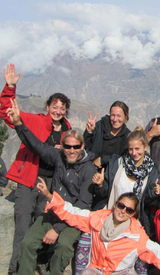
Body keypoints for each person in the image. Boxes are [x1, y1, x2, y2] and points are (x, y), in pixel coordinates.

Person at [6, 98, 96, 275]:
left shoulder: (88, 169)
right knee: (27, 243)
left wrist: (57, 229)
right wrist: (18, 124)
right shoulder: (58, 157)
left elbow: (82, 206)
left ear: (82, 146)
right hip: (53, 212)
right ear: (61, 147)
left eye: (76, 147)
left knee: (62, 245)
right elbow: (36, 145)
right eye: (67, 146)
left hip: (72, 219)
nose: (71, 150)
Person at [0, 63, 72, 275]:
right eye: (54, 106)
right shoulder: (36, 121)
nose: (58, 111)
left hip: (51, 185)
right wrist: (9, 88)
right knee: (22, 226)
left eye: (62, 108)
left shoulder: (68, 130)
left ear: (66, 110)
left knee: (42, 224)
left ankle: (38, 263)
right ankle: (16, 270)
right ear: (48, 107)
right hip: (30, 178)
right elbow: (8, 113)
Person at [36, 180, 160, 275]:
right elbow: (73, 214)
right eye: (121, 205)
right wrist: (50, 196)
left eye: (129, 210)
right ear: (116, 204)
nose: (123, 211)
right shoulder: (98, 219)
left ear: (133, 214)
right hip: (96, 270)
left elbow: (159, 254)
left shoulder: (136, 235)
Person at [74, 127, 160, 274]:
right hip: (109, 212)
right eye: (131, 149)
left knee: (142, 250)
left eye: (138, 149)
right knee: (86, 238)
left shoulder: (152, 170)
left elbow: (146, 200)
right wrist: (101, 184)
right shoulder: (117, 163)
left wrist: (154, 193)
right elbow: (104, 192)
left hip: (132, 218)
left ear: (145, 147)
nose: (134, 153)